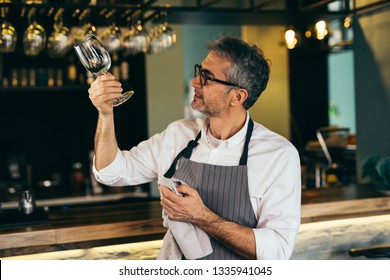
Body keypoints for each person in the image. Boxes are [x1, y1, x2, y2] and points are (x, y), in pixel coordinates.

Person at [88, 34, 301, 260]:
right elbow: (109, 172)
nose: (194, 82)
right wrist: (105, 113)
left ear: (237, 96)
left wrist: (202, 217)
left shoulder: (278, 156)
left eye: (207, 78)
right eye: (199, 71)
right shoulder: (177, 135)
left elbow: (277, 251)